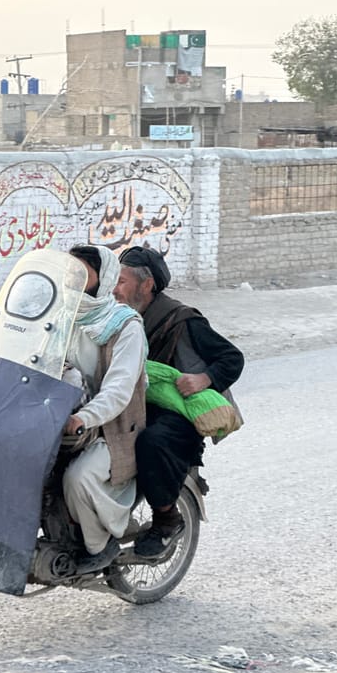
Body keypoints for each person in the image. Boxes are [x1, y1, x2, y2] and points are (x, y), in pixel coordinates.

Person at [114, 246, 244, 558]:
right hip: (134, 404)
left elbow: (232, 358)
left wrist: (204, 378)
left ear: (146, 285)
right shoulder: (118, 316)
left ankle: (166, 520)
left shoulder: (181, 320)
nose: (114, 289)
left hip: (175, 414)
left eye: (121, 281)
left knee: (152, 442)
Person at [62, 245, 148, 574]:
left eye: (83, 274)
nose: (74, 280)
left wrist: (84, 417)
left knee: (79, 478)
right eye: (71, 272)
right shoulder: (61, 315)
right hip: (63, 418)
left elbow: (118, 390)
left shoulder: (126, 326)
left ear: (104, 279)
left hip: (113, 426)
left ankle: (99, 546)